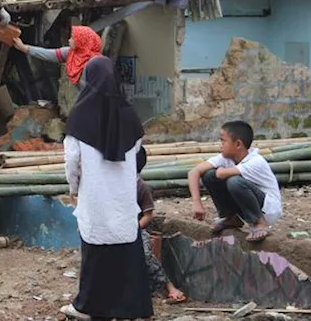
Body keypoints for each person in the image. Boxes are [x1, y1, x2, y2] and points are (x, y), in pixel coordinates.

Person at [60, 56, 152, 321]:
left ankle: (87, 307)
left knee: (95, 254)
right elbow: (136, 157)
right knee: (125, 253)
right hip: (123, 196)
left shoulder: (79, 116)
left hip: (95, 195)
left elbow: (72, 161)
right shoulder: (130, 116)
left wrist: (74, 188)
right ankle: (129, 309)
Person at [188, 120, 283, 242]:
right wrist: (197, 202)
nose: (220, 145)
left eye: (223, 141)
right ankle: (232, 217)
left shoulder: (256, 161)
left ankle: (259, 222)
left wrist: (220, 171)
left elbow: (222, 173)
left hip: (267, 210)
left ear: (238, 144)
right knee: (208, 175)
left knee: (234, 182)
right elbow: (193, 172)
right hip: (246, 206)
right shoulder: (228, 157)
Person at [12, 25, 103, 115]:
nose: (69, 40)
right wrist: (24, 48)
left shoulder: (96, 64)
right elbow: (49, 54)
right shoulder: (71, 53)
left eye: (73, 38)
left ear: (82, 41)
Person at [136, 149, 187, 304]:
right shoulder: (110, 184)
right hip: (112, 229)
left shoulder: (141, 187)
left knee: (144, 254)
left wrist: (135, 228)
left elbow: (148, 215)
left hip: (135, 229)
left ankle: (168, 286)